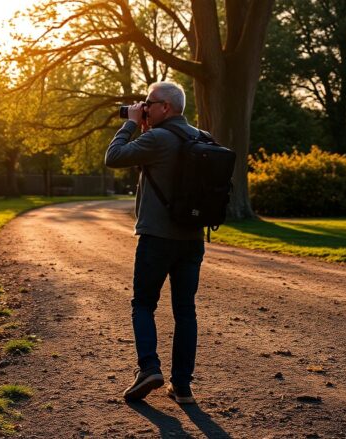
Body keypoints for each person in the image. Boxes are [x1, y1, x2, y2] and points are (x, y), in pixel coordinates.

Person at [104, 81, 204, 404]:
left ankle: (149, 367)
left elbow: (113, 156)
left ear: (166, 108)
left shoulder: (157, 139)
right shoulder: (200, 138)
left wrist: (131, 123)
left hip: (157, 239)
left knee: (143, 304)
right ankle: (183, 386)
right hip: (192, 240)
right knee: (185, 312)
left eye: (148, 102)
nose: (143, 106)